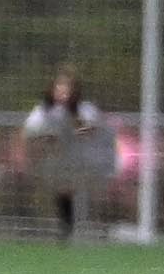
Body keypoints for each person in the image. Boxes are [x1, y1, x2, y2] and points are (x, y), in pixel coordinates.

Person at [11, 72, 108, 245]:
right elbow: (30, 132)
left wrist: (80, 129)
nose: (63, 93)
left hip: (83, 159)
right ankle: (64, 229)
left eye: (67, 89)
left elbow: (92, 128)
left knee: (81, 191)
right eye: (59, 88)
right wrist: (43, 140)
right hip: (56, 160)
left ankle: (92, 228)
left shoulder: (85, 109)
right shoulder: (43, 111)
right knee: (62, 191)